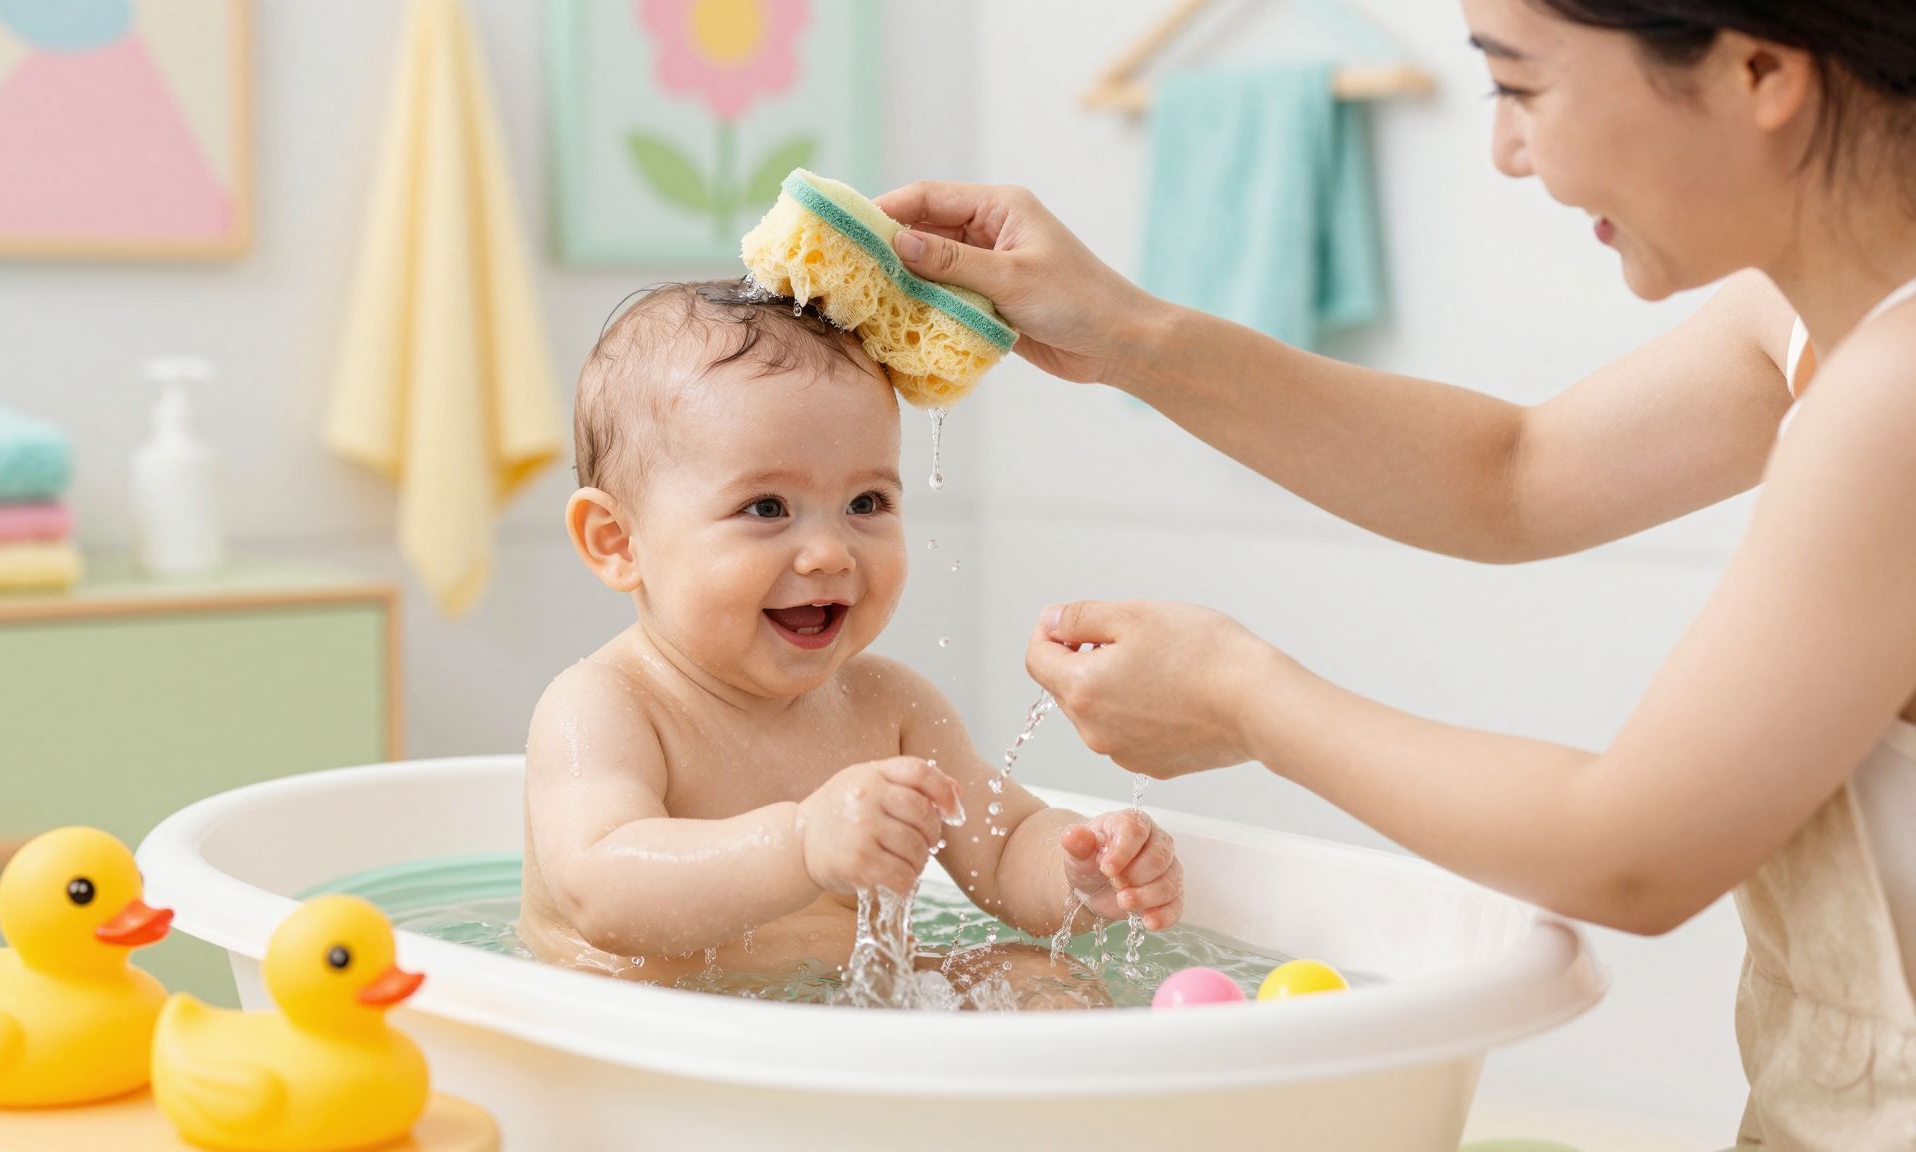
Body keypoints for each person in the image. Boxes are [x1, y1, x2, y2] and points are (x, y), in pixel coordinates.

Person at [877, 0, 1916, 1141]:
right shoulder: (1814, 315)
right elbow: (1509, 472)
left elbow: (1630, 854)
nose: (1505, 152)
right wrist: (1126, 332)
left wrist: (1244, 700)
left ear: (1758, 68)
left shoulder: (1890, 393)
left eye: (1519, 87)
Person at [518, 281, 1184, 1007]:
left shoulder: (891, 708)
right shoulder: (605, 706)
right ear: (618, 542)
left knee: (1044, 978)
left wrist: (1083, 872)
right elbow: (603, 891)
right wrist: (802, 841)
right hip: (657, 1025)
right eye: (766, 508)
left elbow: (1002, 845)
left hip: (840, 1011)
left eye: (867, 503)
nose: (829, 553)